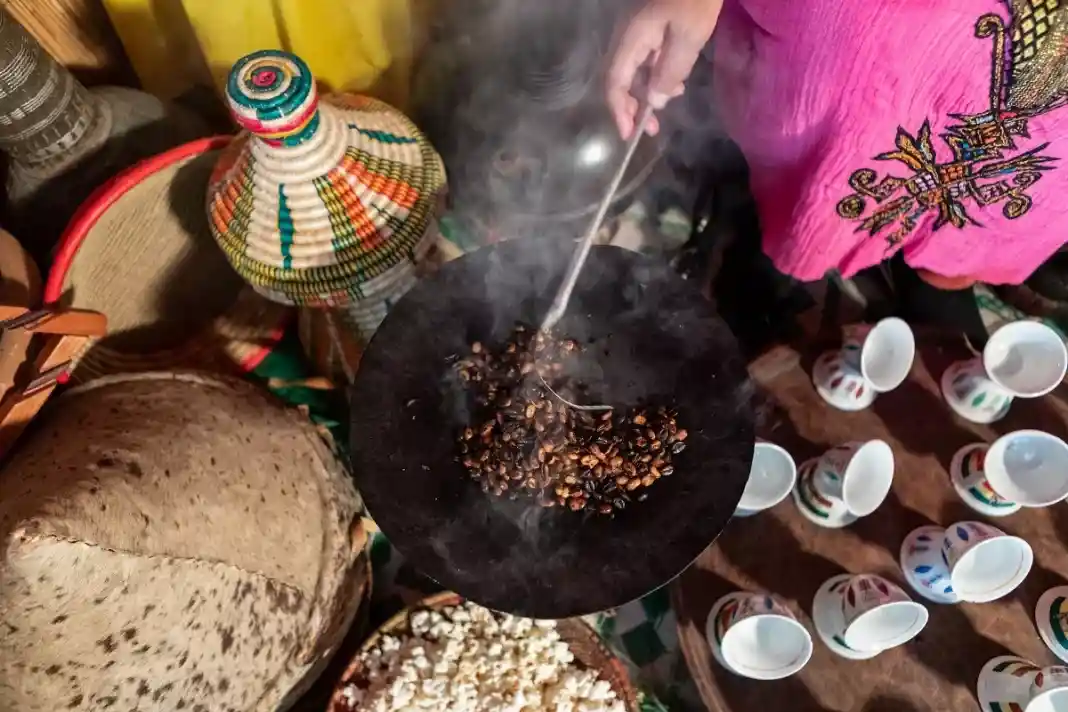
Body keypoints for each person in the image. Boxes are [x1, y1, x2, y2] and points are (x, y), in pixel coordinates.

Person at [607, 0, 1068, 348]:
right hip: (857, 41)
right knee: (806, 181)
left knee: (981, 216)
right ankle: (762, 236)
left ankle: (916, 268)